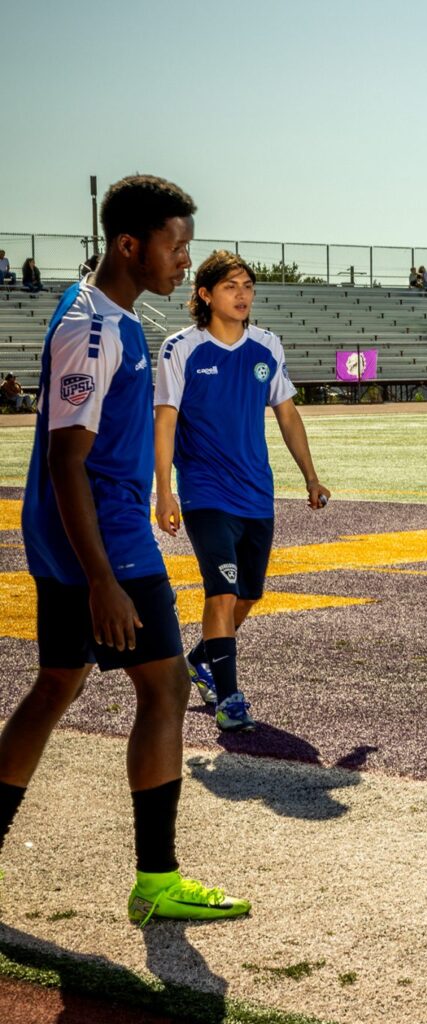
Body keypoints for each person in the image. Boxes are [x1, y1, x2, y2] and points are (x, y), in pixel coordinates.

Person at [1, 174, 251, 924]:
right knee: (167, 688)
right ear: (129, 245)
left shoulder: (111, 319)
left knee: (55, 688)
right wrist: (103, 579)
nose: (185, 262)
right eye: (176, 247)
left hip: (78, 542)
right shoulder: (96, 329)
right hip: (103, 545)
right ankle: (157, 881)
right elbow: (65, 461)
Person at [155, 251, 330, 733]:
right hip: (205, 493)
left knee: (247, 597)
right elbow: (165, 419)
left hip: (257, 492)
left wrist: (310, 477)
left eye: (248, 286)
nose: (243, 294)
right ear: (206, 294)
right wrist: (164, 491)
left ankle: (199, 659)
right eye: (232, 286)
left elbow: (287, 414)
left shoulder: (267, 346)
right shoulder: (180, 348)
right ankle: (230, 698)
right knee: (221, 592)